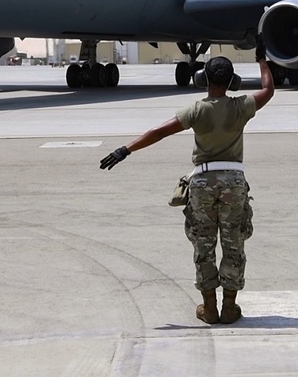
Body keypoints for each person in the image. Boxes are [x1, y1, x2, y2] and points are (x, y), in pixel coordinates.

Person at [99, 38, 274, 324]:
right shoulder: (242, 106)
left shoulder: (196, 110)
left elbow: (159, 132)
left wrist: (125, 149)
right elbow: (268, 89)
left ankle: (209, 308)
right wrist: (262, 59)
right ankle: (230, 307)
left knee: (203, 245)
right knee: (234, 244)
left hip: (202, 183)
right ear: (233, 82)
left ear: (203, 79)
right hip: (234, 183)